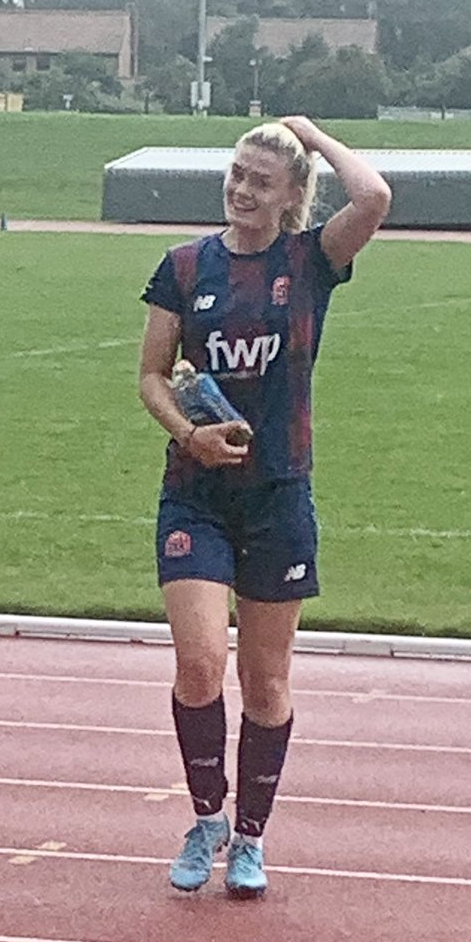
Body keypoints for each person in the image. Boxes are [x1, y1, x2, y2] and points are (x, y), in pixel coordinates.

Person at [138, 117, 390, 899]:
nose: (242, 189)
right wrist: (190, 433)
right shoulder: (184, 267)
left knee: (267, 679)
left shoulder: (308, 260)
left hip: (279, 493)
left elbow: (375, 194)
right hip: (196, 494)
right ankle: (206, 815)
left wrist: (309, 134)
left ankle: (250, 835)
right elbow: (151, 374)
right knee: (200, 661)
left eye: (261, 180)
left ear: (290, 197)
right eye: (237, 173)